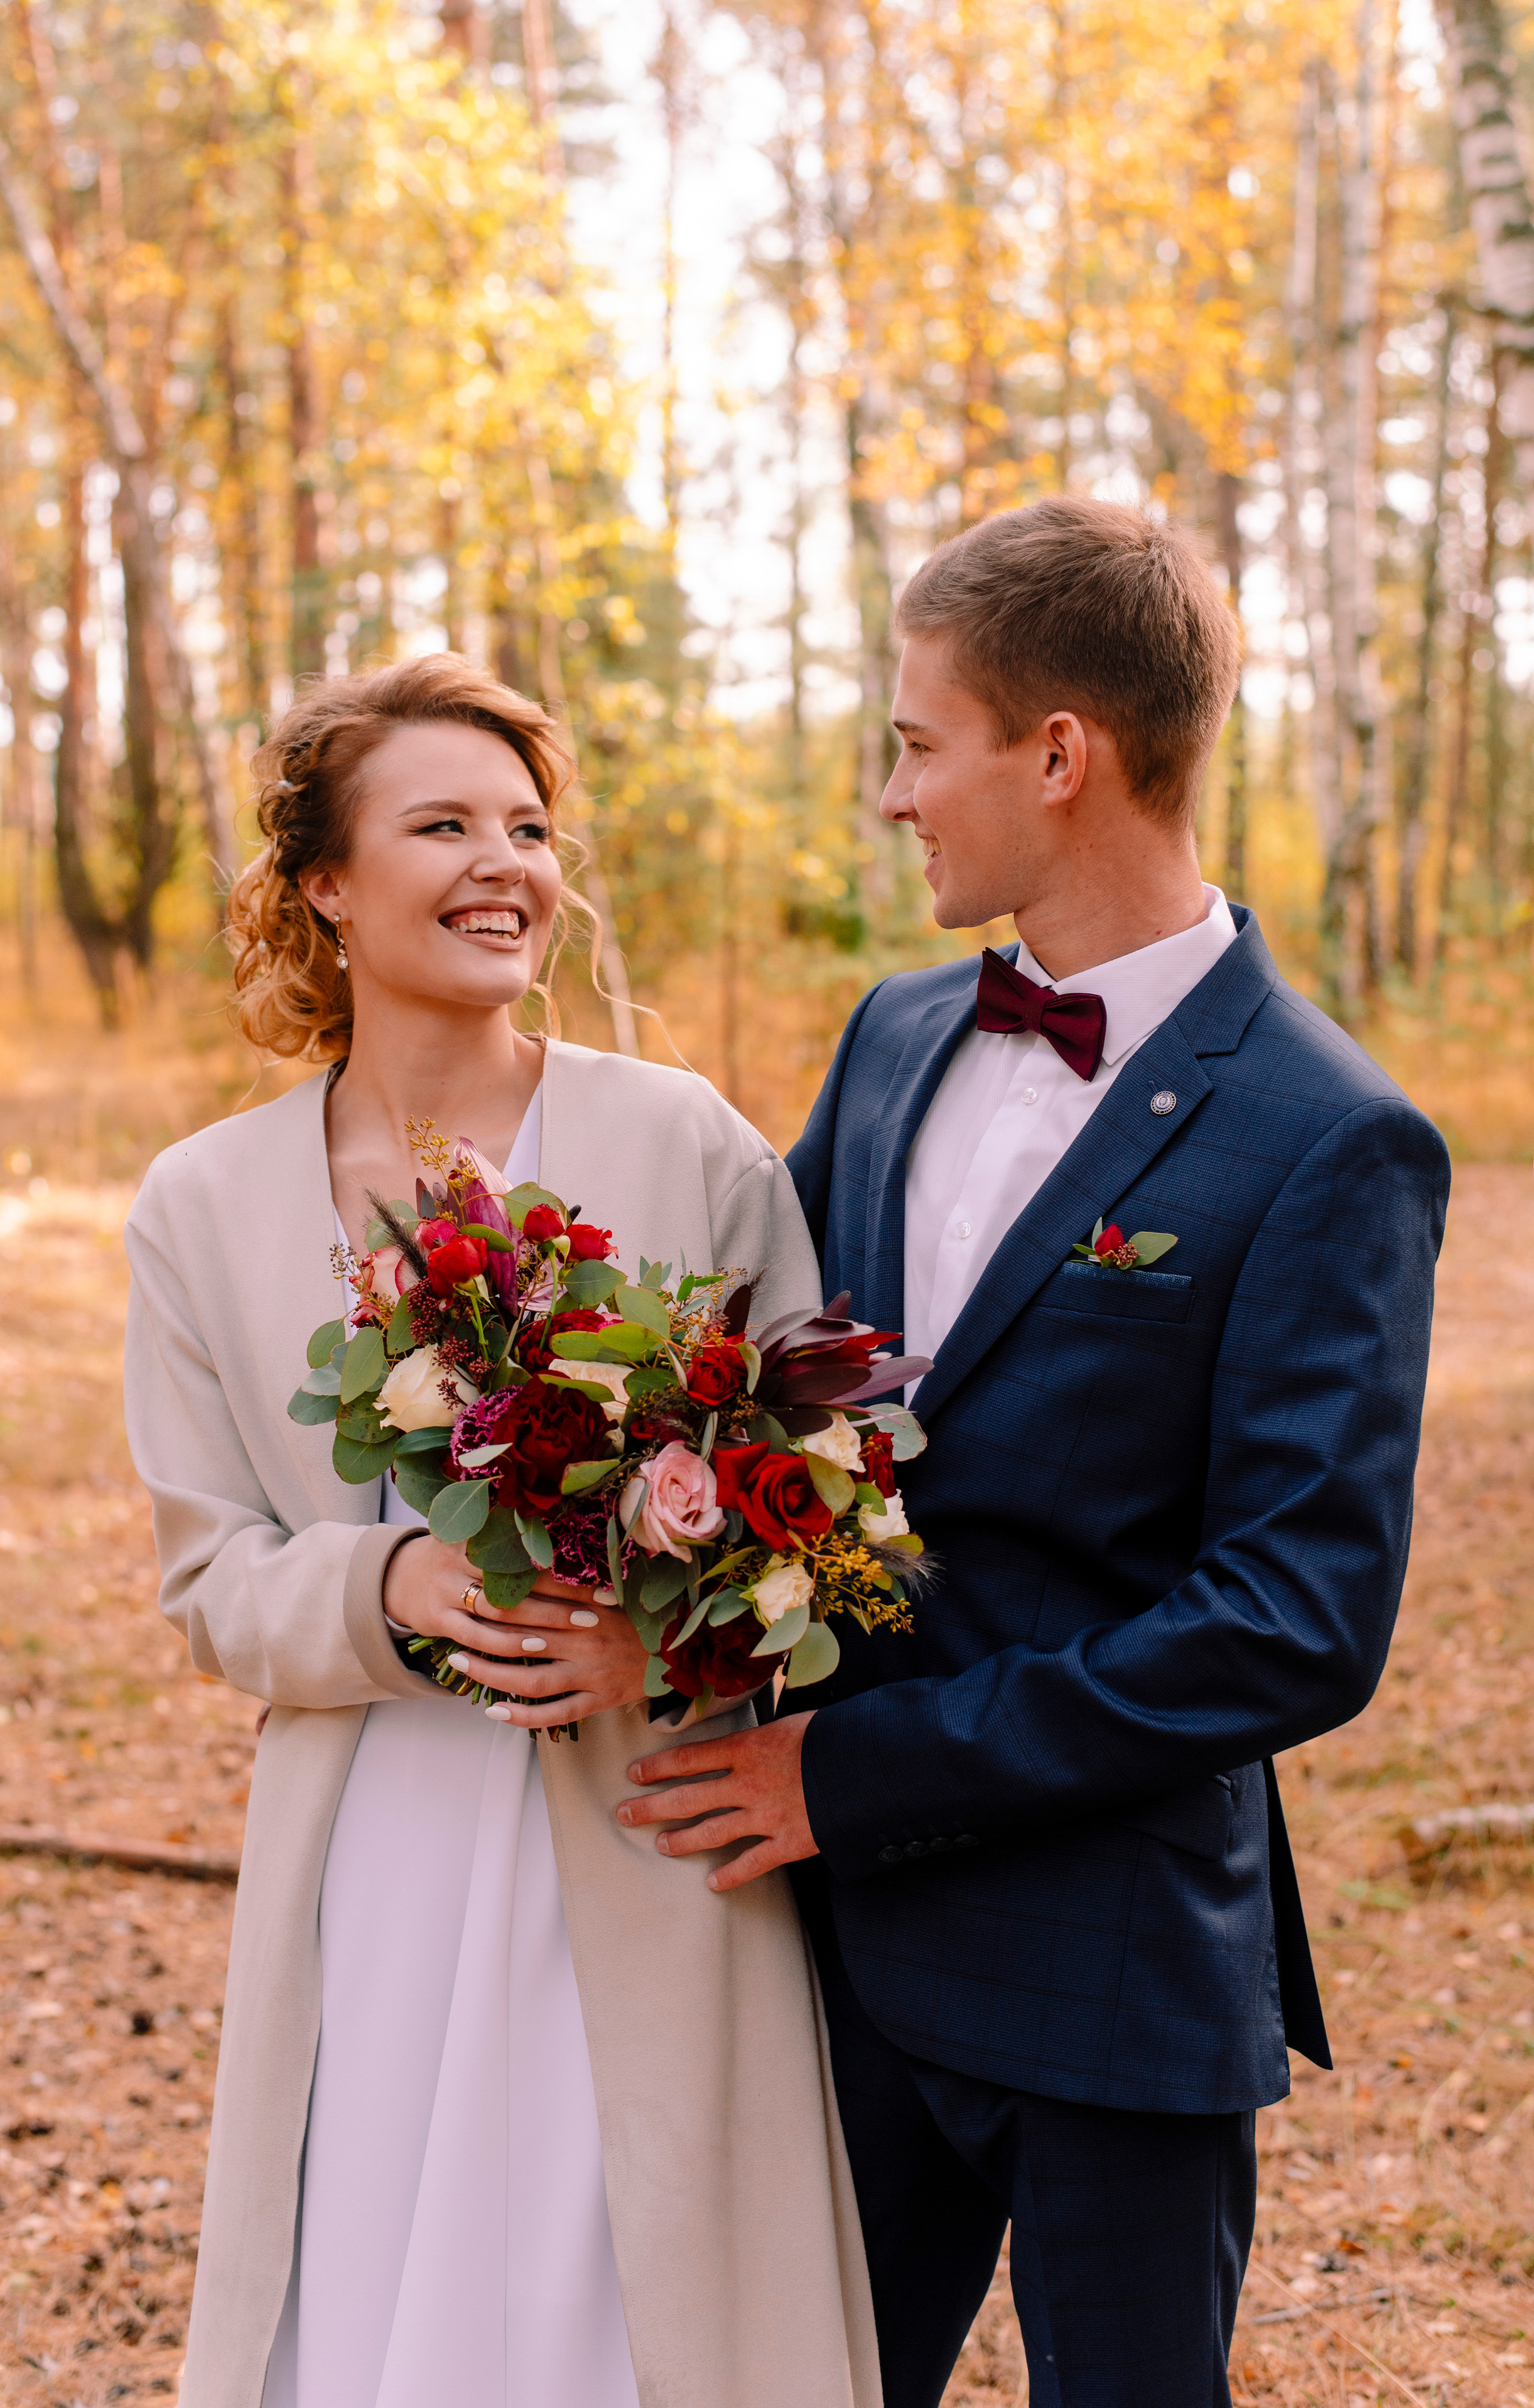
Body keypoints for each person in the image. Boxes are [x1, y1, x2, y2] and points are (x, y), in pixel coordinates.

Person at [615, 497, 1451, 2407]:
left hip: (1111, 1965)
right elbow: (766, 1405)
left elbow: (1293, 1621)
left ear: (1058, 755)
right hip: (822, 1952)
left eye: (918, 742)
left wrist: (862, 1769)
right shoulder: (899, 1033)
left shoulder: (1334, 1137)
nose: (891, 794)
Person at [122, 654, 880, 2408]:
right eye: (443, 824)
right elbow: (208, 1576)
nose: (504, 864)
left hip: (647, 1823)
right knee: (391, 2301)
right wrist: (392, 1582)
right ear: (322, 880)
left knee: (641, 2303)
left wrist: (663, 1628)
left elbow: (819, 1499)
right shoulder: (201, 1205)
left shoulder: (684, 1141)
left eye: (530, 828)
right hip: (372, 1845)